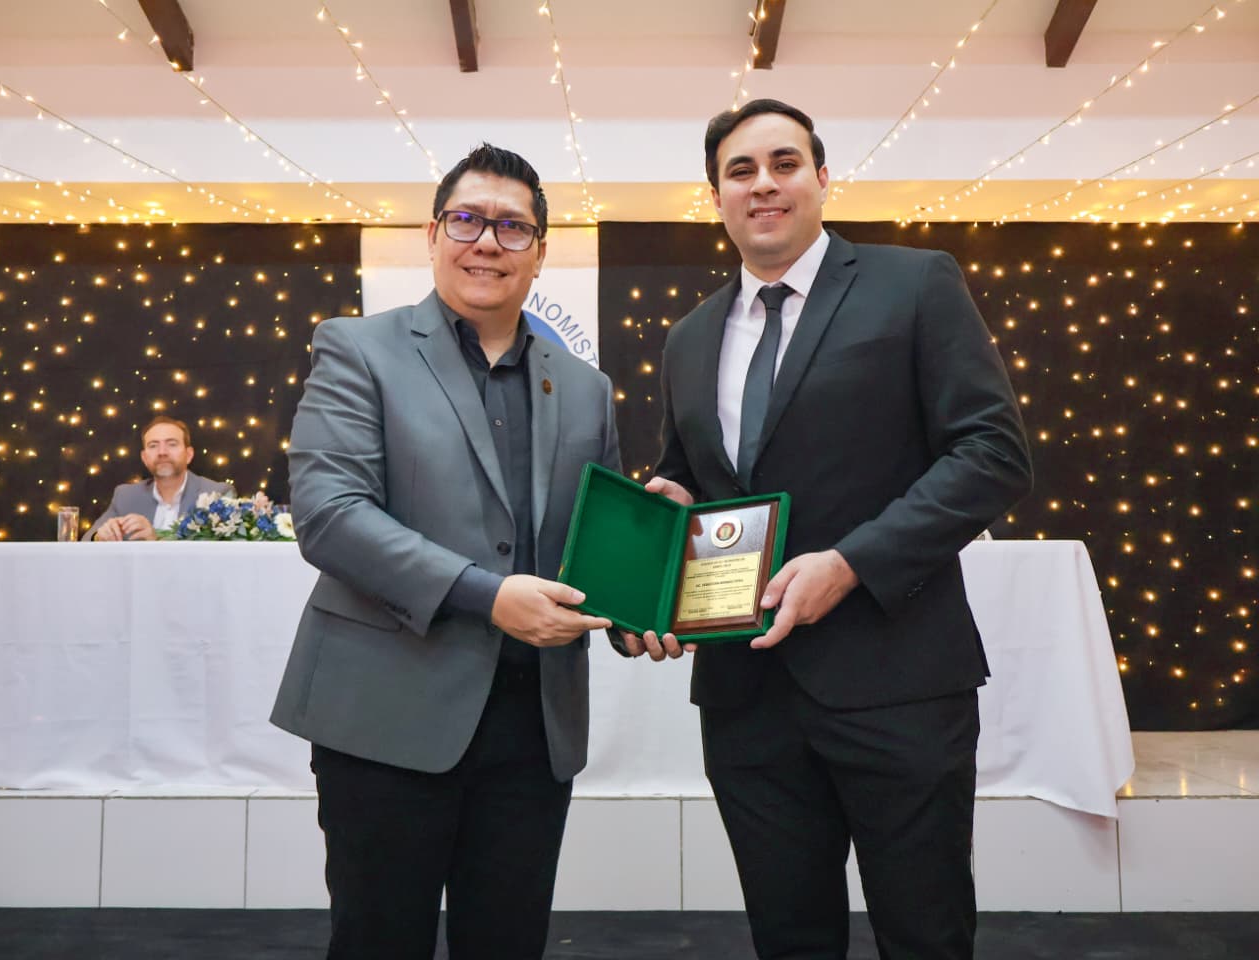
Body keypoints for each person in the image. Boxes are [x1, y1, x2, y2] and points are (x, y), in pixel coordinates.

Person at [620, 100, 1032, 959]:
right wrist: (661, 526)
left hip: (898, 681)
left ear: (821, 178)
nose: (763, 184)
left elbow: (992, 454)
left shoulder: (914, 283)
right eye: (740, 171)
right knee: (788, 938)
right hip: (747, 699)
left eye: (784, 163)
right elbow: (693, 479)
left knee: (925, 934)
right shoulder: (689, 337)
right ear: (716, 197)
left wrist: (849, 563)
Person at [270, 143, 620, 960]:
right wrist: (486, 595)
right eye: (467, 220)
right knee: (378, 941)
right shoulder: (358, 348)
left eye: (512, 227)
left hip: (533, 728)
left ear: (541, 251)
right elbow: (329, 514)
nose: (487, 242)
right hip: (386, 714)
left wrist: (649, 593)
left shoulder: (587, 389)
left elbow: (591, 542)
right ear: (432, 235)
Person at [84, 415, 232, 541]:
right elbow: (87, 539)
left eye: (172, 444)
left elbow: (228, 552)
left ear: (189, 455)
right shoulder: (126, 496)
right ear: (144, 458)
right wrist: (99, 536)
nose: (162, 452)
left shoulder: (216, 495)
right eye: (153, 445)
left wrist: (157, 540)